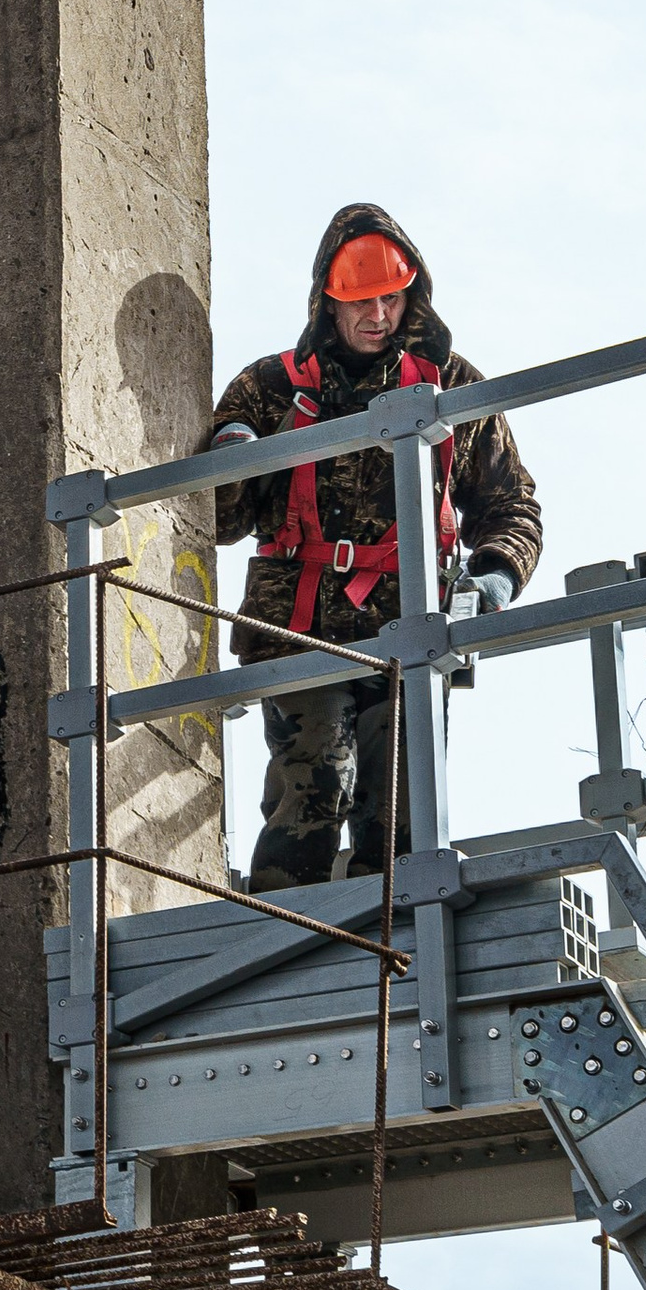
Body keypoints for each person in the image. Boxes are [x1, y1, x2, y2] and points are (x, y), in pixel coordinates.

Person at [203, 203, 541, 890]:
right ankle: (281, 939)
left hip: (407, 623)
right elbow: (218, 520)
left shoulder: (452, 386)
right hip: (301, 627)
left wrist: (497, 576)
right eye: (361, 302)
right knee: (314, 786)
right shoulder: (271, 388)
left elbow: (511, 506)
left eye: (391, 298)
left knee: (404, 813)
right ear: (328, 302)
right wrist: (234, 455)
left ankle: (400, 955)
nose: (377, 316)